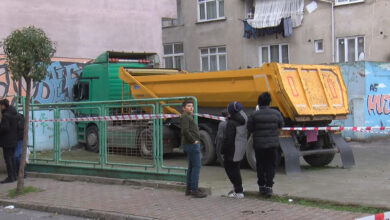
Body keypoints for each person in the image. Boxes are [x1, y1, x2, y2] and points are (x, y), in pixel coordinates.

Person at [247, 92, 284, 197]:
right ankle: (269, 187)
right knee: (270, 165)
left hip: (259, 145)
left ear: (259, 102)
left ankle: (261, 186)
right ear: (269, 102)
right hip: (273, 145)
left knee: (260, 165)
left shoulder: (254, 114)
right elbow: (281, 125)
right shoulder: (276, 113)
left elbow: (249, 128)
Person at [180, 99, 207, 198]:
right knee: (196, 167)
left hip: (190, 144)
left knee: (191, 167)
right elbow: (185, 131)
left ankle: (189, 189)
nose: (191, 108)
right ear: (183, 108)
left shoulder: (187, 116)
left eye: (192, 106)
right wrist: (193, 141)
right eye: (188, 106)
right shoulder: (185, 117)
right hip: (191, 145)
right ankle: (194, 190)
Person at [221, 101, 248, 199]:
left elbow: (229, 139)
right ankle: (238, 188)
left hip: (232, 149)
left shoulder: (231, 123)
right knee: (236, 168)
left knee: (230, 168)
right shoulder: (244, 118)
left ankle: (238, 190)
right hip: (240, 147)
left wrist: (222, 150)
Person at [0, 99, 18, 183]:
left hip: (7, 141)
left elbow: (5, 128)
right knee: (12, 158)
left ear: (3, 105)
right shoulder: (14, 113)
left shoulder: (6, 115)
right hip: (14, 140)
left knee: (8, 159)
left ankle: (10, 177)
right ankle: (14, 175)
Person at [14, 112, 26, 178]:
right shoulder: (20, 117)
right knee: (18, 156)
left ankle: (22, 172)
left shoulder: (18, 119)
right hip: (19, 139)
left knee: (16, 156)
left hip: (19, 139)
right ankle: (21, 172)